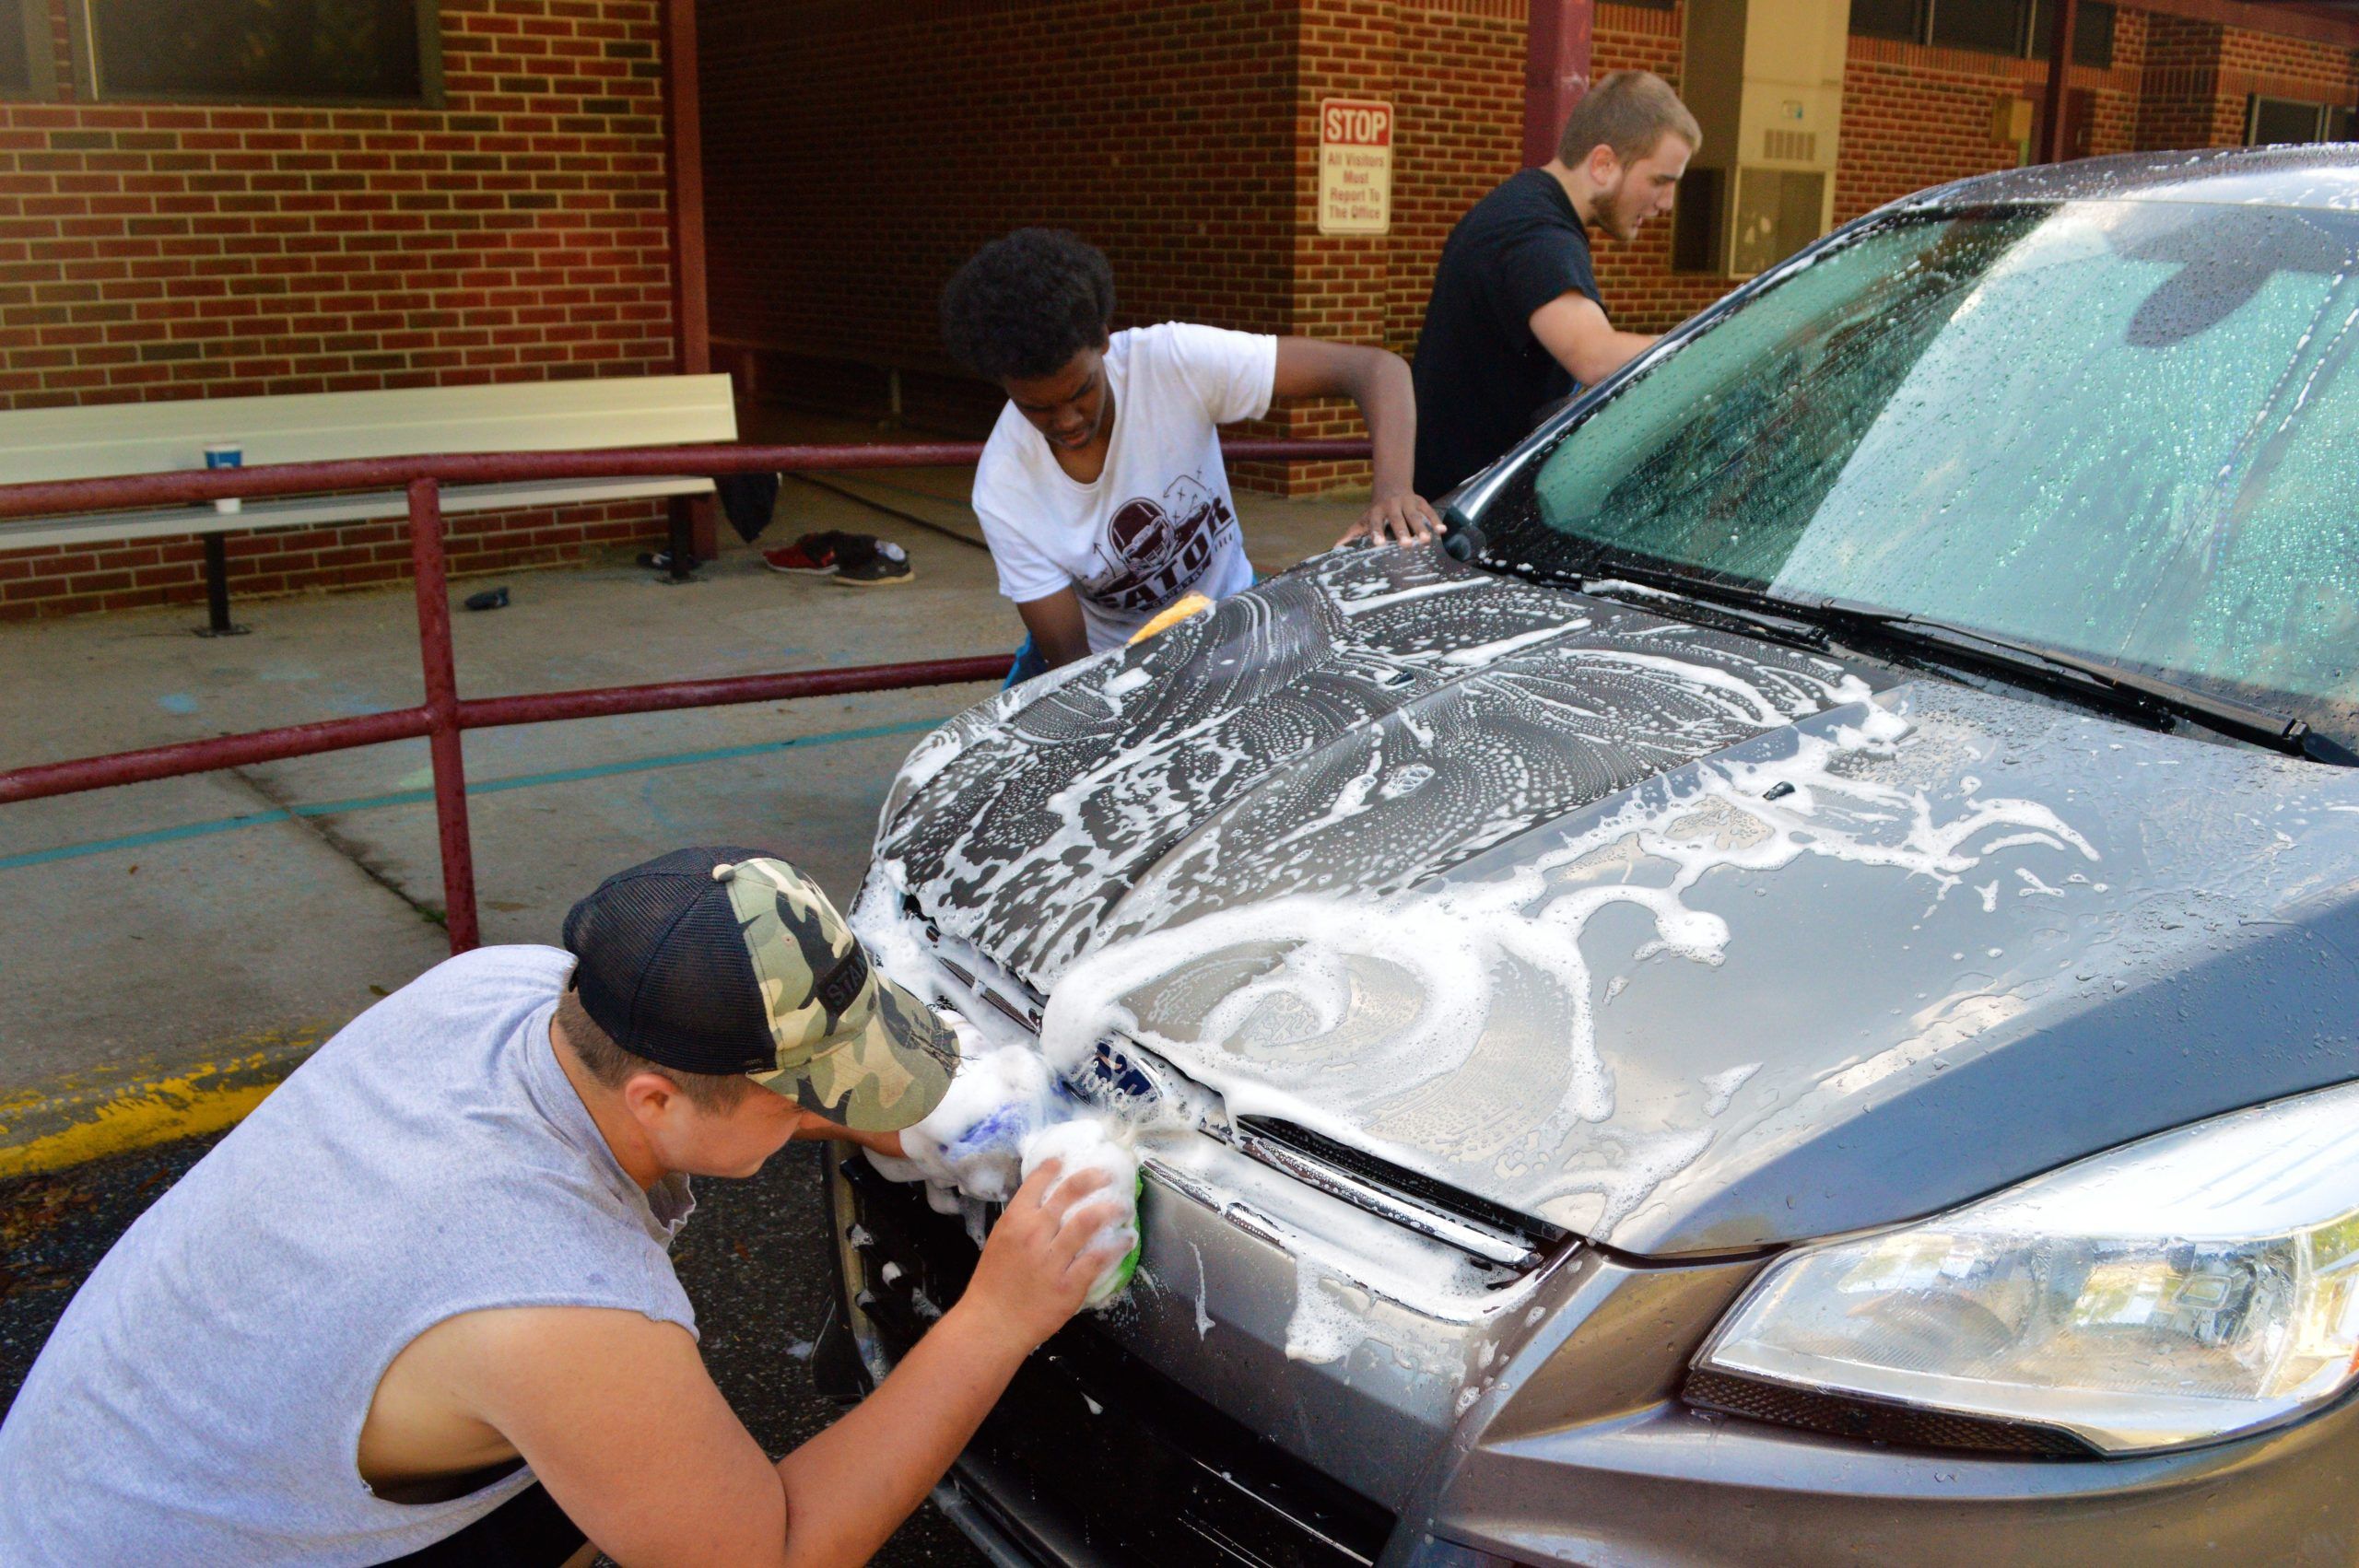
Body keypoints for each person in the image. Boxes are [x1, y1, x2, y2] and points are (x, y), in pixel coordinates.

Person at [0, 849, 1125, 1568]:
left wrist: (906, 1115)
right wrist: (997, 1318)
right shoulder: (557, 1305)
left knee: (613, 1476)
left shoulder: (506, 989)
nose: (829, 1114)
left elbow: (721, 1096)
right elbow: (775, 1553)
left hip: (96, 1472)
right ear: (654, 1099)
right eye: (809, 1097)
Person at [940, 228, 1441, 680]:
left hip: (1233, 618)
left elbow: (1375, 370)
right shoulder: (1005, 488)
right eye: (1037, 408)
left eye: (1081, 392)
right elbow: (1073, 665)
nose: (1067, 420)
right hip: (1117, 664)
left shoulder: (1172, 363)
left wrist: (1392, 489)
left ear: (1103, 340)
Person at [1412, 70, 1700, 500]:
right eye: (1660, 181)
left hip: (1469, 502)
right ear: (1603, 164)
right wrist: (1720, 345)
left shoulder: (1527, 209)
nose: (1667, 203)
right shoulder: (1536, 233)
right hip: (1462, 515)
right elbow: (1594, 356)